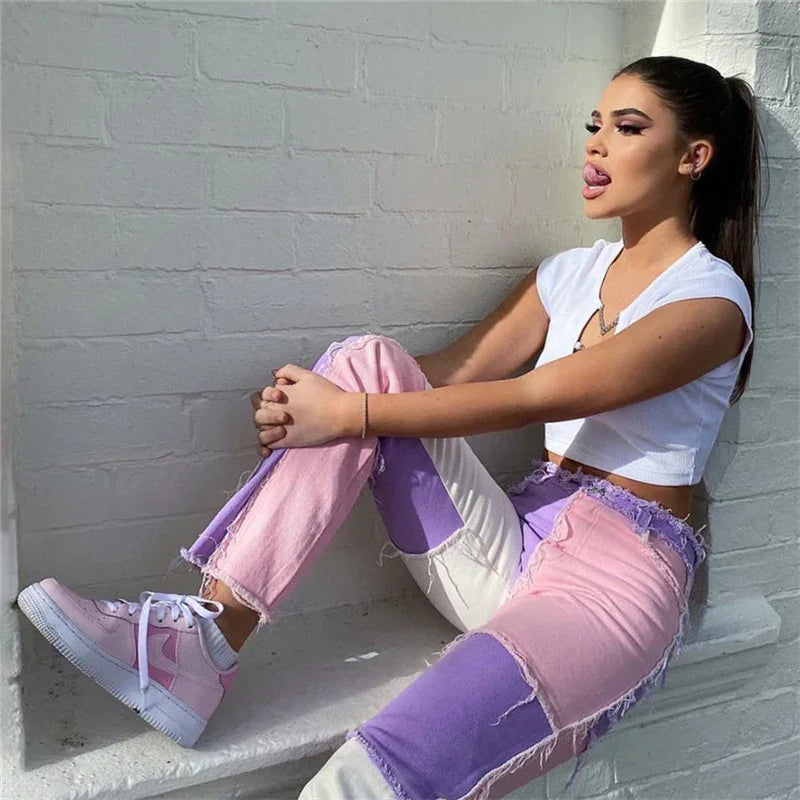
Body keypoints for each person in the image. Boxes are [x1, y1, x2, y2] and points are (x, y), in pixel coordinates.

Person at [16, 54, 764, 799]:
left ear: (693, 157)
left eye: (627, 128)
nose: (596, 145)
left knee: (375, 776)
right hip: (511, 544)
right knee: (366, 359)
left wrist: (346, 414)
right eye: (594, 126)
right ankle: (203, 638)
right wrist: (313, 406)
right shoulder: (566, 273)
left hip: (611, 589)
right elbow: (440, 375)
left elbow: (540, 395)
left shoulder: (711, 300)